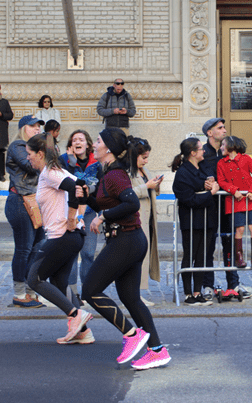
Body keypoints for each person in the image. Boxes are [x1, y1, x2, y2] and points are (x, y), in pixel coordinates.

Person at [80, 128, 170, 369]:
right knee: (130, 297)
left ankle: (132, 335)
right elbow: (105, 201)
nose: (94, 144)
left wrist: (102, 217)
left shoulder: (115, 175)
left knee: (90, 290)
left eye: (97, 141)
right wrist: (87, 197)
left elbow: (130, 204)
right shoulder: (108, 173)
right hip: (131, 240)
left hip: (126, 241)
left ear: (107, 148)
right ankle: (157, 350)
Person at [25, 133, 94, 345]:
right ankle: (83, 332)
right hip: (73, 236)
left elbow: (77, 188)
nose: (27, 158)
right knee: (59, 281)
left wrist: (73, 217)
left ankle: (75, 315)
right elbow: (83, 186)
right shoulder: (58, 171)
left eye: (29, 154)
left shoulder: (49, 173)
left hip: (62, 236)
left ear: (39, 154)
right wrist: (77, 217)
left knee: (34, 279)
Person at [199, 118, 250, 300]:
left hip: (229, 205)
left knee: (230, 244)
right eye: (220, 128)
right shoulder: (201, 152)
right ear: (210, 133)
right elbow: (194, 174)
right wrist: (204, 183)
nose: (224, 130)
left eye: (224, 127)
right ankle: (207, 285)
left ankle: (234, 283)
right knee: (209, 245)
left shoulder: (228, 152)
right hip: (209, 206)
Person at [5, 115, 46, 308]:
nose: (37, 129)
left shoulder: (38, 149)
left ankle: (31, 291)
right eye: (33, 126)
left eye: (39, 126)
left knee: (36, 248)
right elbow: (31, 166)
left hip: (35, 201)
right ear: (23, 129)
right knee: (24, 248)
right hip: (20, 200)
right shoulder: (18, 146)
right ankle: (19, 293)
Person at [171, 137, 218, 305]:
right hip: (191, 220)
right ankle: (188, 293)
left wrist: (210, 183)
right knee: (189, 255)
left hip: (207, 219)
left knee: (202, 257)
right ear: (192, 153)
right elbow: (189, 198)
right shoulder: (183, 173)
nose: (203, 151)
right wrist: (209, 192)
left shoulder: (203, 165)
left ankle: (198, 291)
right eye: (200, 149)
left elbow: (209, 178)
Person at [61, 129, 100, 304]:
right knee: (70, 252)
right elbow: (64, 181)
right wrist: (70, 161)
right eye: (74, 139)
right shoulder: (64, 160)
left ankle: (87, 289)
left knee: (88, 253)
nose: (77, 142)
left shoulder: (96, 162)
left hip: (90, 212)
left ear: (88, 144)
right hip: (71, 212)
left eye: (81, 139)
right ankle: (73, 292)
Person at [216, 135, 252, 270]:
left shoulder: (246, 159)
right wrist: (234, 190)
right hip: (235, 200)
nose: (221, 147)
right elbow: (221, 181)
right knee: (240, 229)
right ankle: (239, 257)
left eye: (223, 145)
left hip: (251, 198)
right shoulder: (221, 163)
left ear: (231, 146)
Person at [128, 137, 162, 306]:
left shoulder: (144, 170)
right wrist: (147, 187)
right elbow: (126, 193)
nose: (146, 160)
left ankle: (136, 293)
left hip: (147, 218)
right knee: (136, 258)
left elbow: (150, 191)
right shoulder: (127, 171)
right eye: (144, 157)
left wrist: (156, 185)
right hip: (136, 219)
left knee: (143, 256)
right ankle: (134, 295)